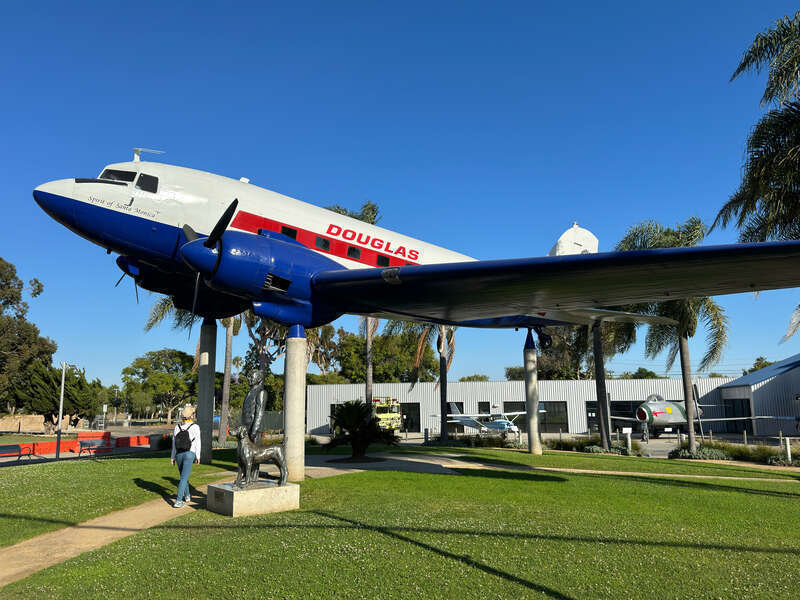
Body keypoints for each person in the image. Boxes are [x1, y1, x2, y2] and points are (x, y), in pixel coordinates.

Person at [171, 404, 201, 508]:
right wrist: (198, 456)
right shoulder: (195, 427)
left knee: (183, 476)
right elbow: (198, 443)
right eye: (193, 413)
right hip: (190, 454)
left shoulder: (177, 427)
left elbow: (174, 443)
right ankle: (178, 501)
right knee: (184, 478)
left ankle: (187, 495)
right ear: (191, 415)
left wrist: (172, 457)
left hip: (179, 454)